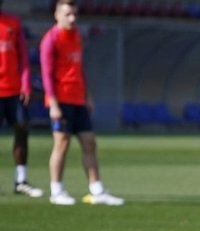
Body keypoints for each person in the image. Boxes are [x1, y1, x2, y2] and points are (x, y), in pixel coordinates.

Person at [40, 0, 124, 206]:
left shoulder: (76, 36)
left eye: (74, 14)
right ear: (57, 15)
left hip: (78, 99)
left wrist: (87, 96)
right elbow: (46, 75)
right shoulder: (50, 40)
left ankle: (97, 190)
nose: (72, 18)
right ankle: (56, 190)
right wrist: (53, 104)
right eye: (68, 14)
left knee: (89, 143)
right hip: (61, 100)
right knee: (62, 144)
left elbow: (78, 69)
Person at [0, 1, 43, 198]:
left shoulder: (13, 22)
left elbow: (23, 56)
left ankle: (21, 181)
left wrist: (26, 83)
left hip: (14, 89)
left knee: (22, 128)